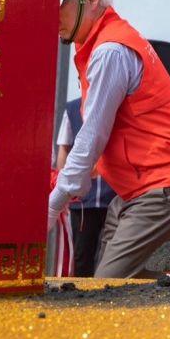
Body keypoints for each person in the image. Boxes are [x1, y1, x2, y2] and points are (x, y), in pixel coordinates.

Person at [47, 0, 170, 278]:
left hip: (163, 188)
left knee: (109, 291)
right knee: (129, 290)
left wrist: (55, 202)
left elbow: (92, 135)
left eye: (56, 7)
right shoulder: (100, 44)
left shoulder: (109, 51)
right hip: (141, 190)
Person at [55, 97, 117, 277]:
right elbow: (64, 149)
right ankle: (82, 300)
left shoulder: (116, 103)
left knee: (110, 257)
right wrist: (65, 188)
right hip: (82, 203)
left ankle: (107, 298)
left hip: (114, 198)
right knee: (82, 257)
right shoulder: (72, 108)